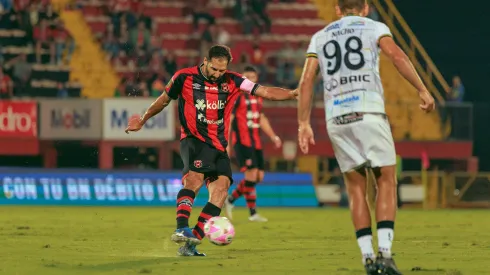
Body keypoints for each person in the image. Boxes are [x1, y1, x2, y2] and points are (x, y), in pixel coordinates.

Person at [296, 0, 435, 274]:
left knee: (356, 188)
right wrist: (422, 88)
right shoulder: (375, 27)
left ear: (337, 9)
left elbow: (307, 80)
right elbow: (397, 56)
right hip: (368, 110)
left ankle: (367, 258)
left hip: (336, 117)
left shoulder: (320, 36)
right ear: (366, 8)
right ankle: (384, 253)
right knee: (385, 179)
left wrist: (303, 123)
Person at [125, 45, 297, 257]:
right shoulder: (184, 77)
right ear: (205, 61)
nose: (217, 74)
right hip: (194, 140)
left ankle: (191, 243)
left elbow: (265, 91)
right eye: (214, 69)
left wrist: (293, 93)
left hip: (219, 144)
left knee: (221, 191)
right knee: (194, 180)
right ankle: (181, 227)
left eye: (221, 71)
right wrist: (142, 120)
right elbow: (163, 101)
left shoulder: (234, 80)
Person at [224, 66, 282, 222]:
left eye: (252, 76)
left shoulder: (258, 97)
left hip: (256, 141)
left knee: (259, 176)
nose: (249, 78)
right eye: (246, 76)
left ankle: (231, 199)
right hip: (242, 141)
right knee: (251, 175)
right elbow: (229, 119)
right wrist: (226, 142)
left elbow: (261, 118)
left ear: (256, 78)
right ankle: (252, 213)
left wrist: (273, 136)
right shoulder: (237, 96)